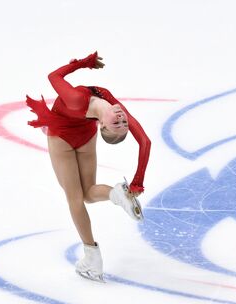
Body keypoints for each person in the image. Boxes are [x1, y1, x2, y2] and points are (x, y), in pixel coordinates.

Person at [26, 51, 151, 282]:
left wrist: (83, 64)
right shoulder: (113, 105)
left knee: (75, 198)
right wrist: (136, 182)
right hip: (80, 133)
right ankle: (117, 194)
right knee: (87, 196)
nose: (122, 119)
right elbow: (145, 140)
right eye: (123, 122)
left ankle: (92, 258)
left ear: (102, 124)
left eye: (119, 124)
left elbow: (54, 77)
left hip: (63, 134)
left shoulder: (78, 99)